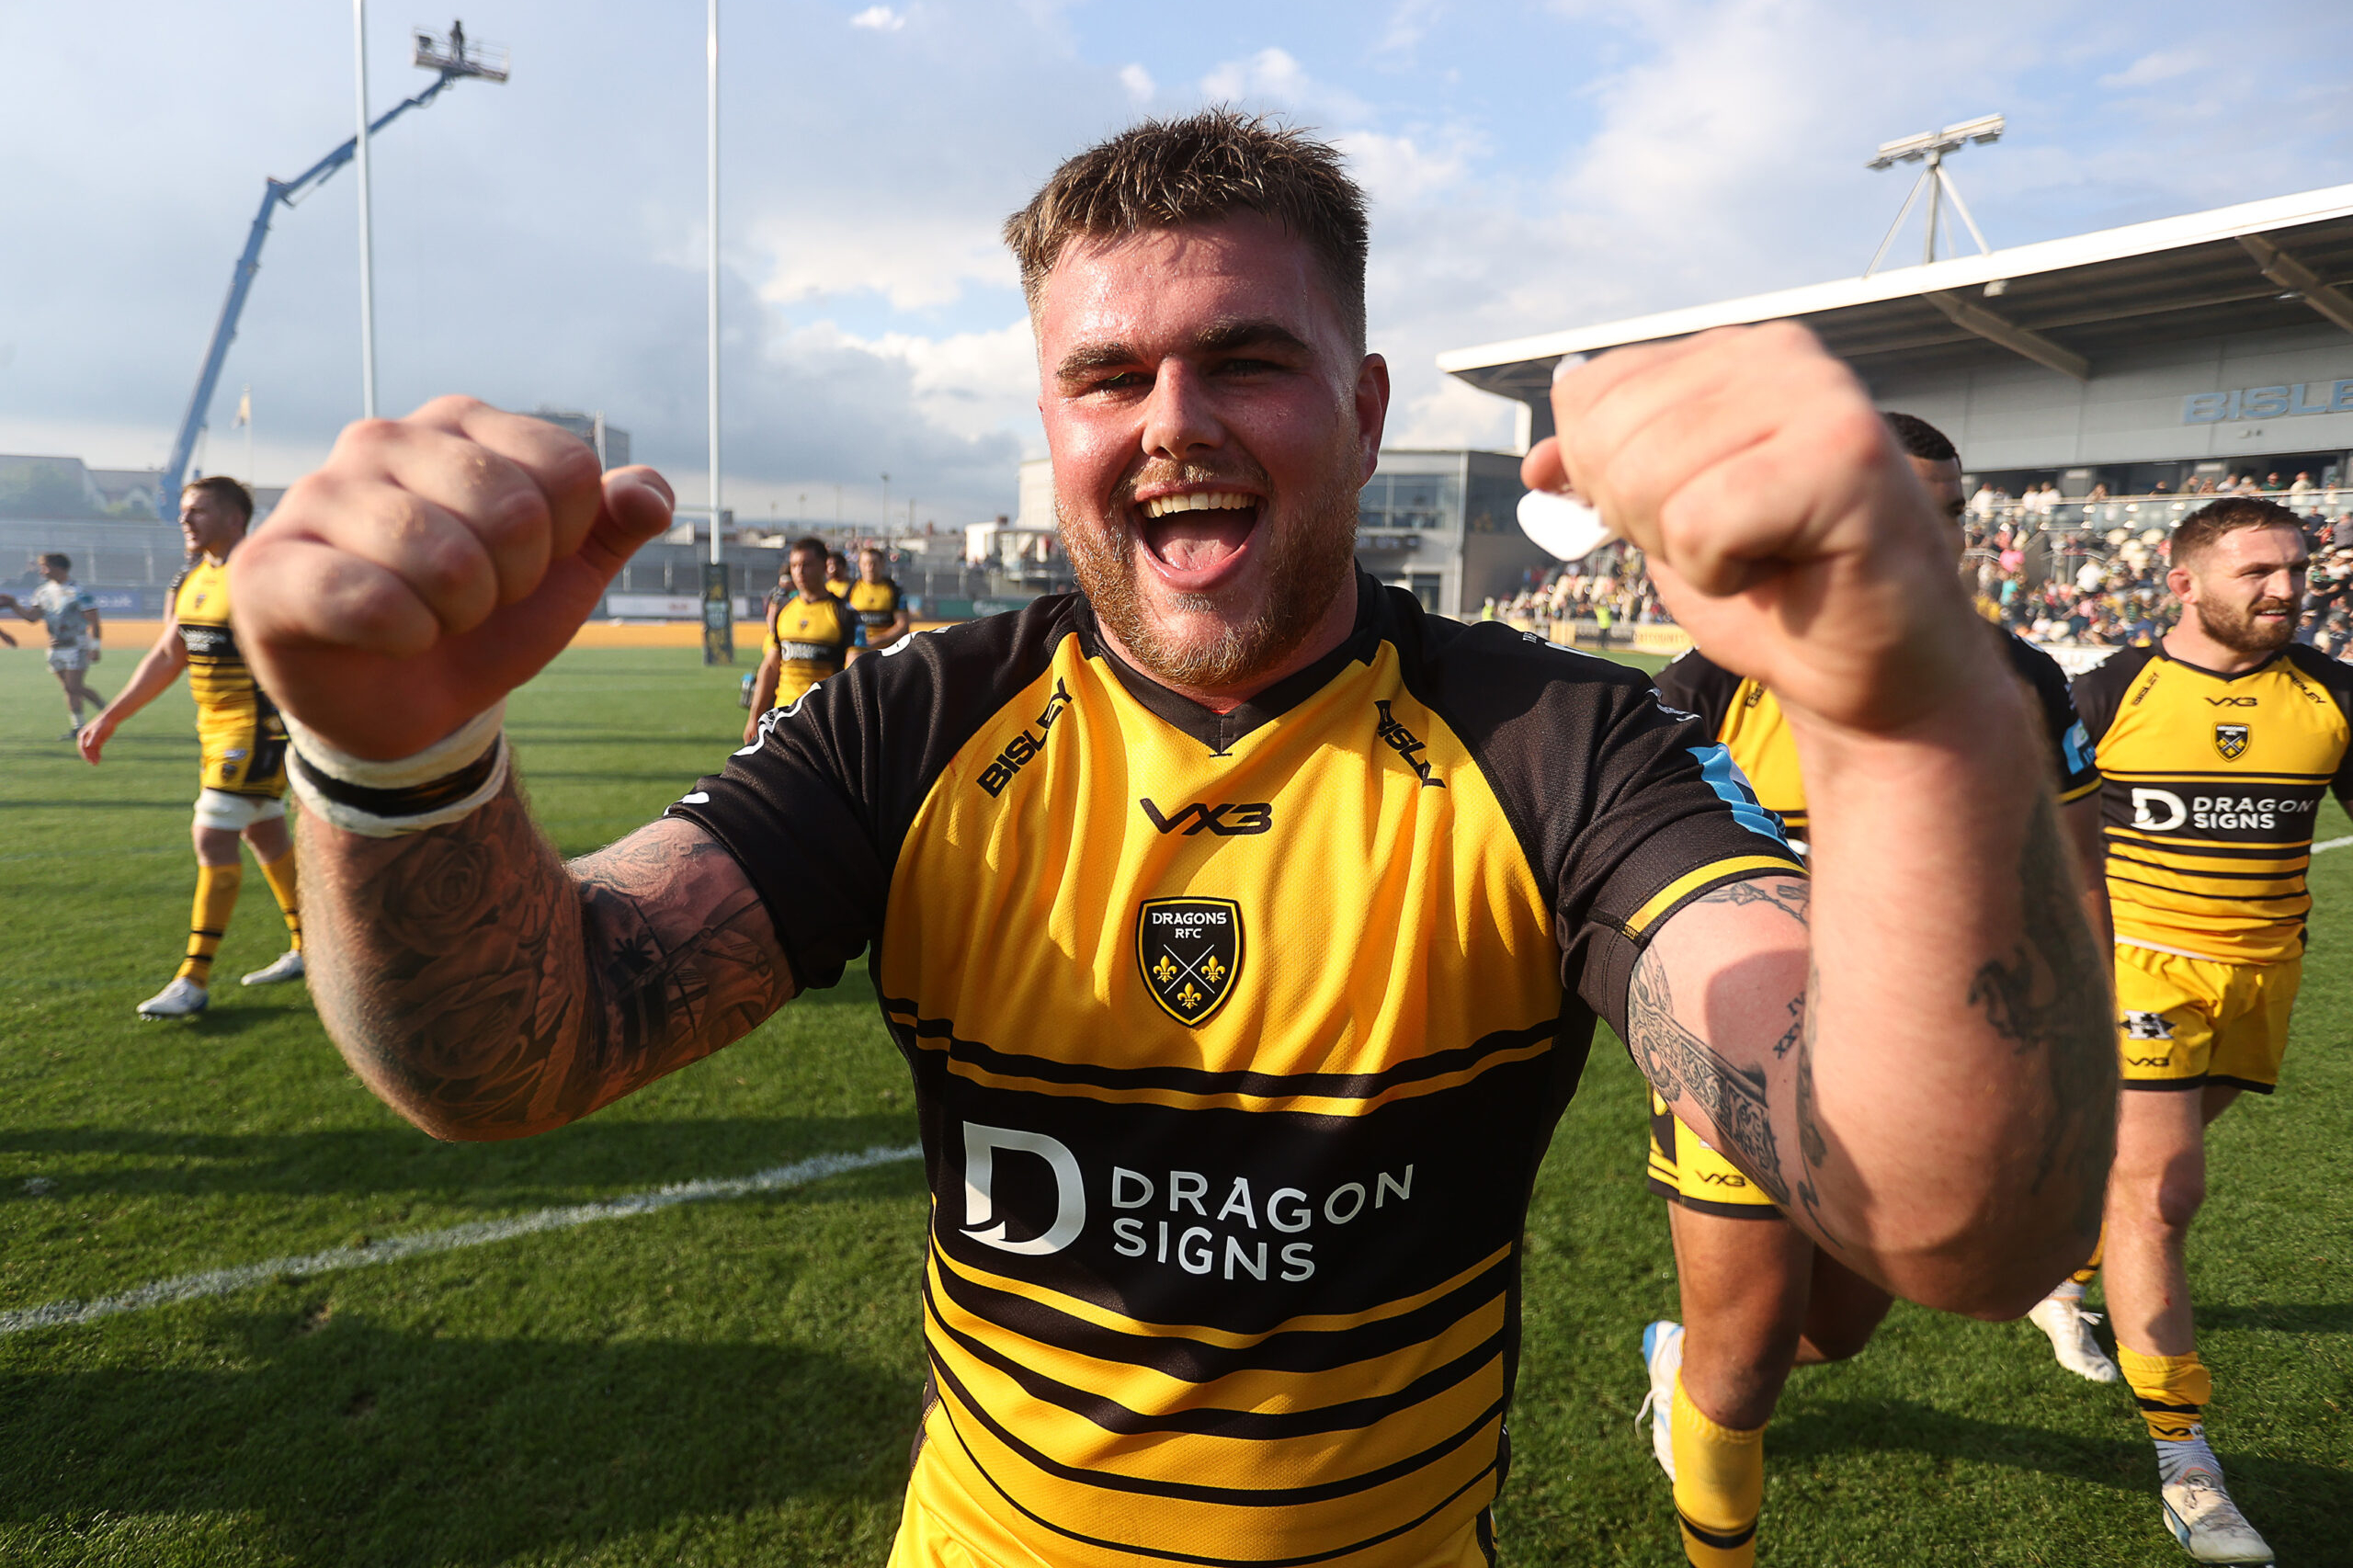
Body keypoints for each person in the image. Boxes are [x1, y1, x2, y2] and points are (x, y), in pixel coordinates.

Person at [228, 111, 2111, 1568]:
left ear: (1365, 414)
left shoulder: (1547, 741)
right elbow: (521, 1048)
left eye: (1246, 360)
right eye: (1104, 377)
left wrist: (1909, 710)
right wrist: (395, 761)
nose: (1169, 423)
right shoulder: (919, 720)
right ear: (1048, 420)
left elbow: (1947, 1218)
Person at [1640, 411, 2111, 1566]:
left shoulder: (2016, 679)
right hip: (1748, 1056)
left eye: (1945, 518)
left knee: (1834, 1334)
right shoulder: (1703, 688)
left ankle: (1678, 1357)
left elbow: (2077, 884)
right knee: (1743, 1367)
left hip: (1919, 1082)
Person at [2065, 495, 2350, 1564]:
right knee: (2163, 1189)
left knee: (2148, 1174)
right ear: (2180, 582)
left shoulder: (2330, 694)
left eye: (2296, 569)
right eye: (2258, 572)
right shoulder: (2108, 689)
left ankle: (2066, 1277)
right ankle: (2186, 1458)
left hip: (2262, 977)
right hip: (2134, 969)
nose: (2286, 589)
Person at [77, 476, 303, 1018]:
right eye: (183, 512)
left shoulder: (262, 574)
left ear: (234, 519)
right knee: (263, 831)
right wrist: (110, 717)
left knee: (212, 834)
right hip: (214, 729)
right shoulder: (191, 576)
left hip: (258, 728)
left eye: (196, 511)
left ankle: (194, 978)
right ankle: (309, 946)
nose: (185, 521)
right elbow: (167, 655)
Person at [742, 536, 853, 741]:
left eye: (806, 565)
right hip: (782, 717)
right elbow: (770, 666)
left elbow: (853, 671)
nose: (799, 572)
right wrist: (754, 717)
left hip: (823, 720)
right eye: (794, 565)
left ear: (823, 566)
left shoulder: (843, 613)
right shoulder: (784, 609)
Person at [1, 552, 108, 737]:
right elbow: (32, 618)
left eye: (45, 566)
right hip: (54, 647)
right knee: (68, 688)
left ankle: (107, 711)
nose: (41, 571)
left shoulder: (78, 593)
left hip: (77, 646)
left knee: (74, 686)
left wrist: (95, 647)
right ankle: (78, 727)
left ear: (59, 568)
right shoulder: (42, 592)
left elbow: (94, 621)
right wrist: (13, 604)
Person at [844, 543, 912, 661]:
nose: (870, 568)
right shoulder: (851, 589)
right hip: (857, 654)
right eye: (865, 564)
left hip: (886, 654)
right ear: (859, 565)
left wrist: (874, 642)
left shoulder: (894, 590)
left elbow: (902, 626)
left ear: (882, 565)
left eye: (874, 563)